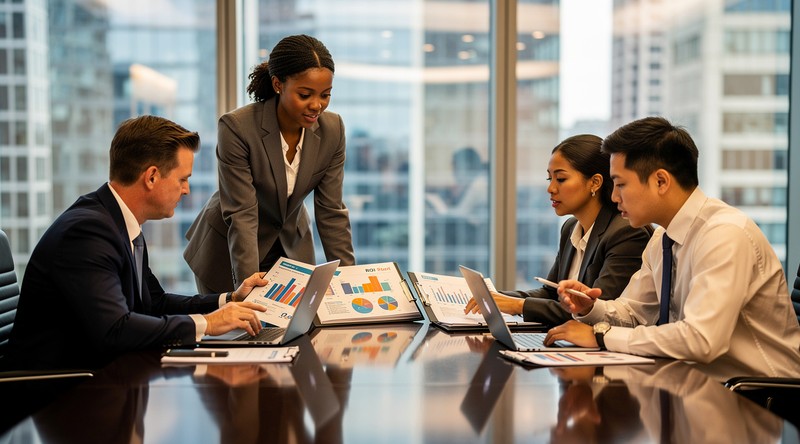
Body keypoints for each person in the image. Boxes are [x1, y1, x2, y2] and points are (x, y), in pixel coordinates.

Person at [4, 115, 268, 371]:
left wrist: (229, 300)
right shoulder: (87, 232)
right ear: (152, 176)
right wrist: (207, 324)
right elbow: (115, 329)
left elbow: (154, 303)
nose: (186, 189)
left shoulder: (120, 223)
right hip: (56, 395)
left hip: (101, 376)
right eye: (182, 179)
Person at [545, 117, 800, 378]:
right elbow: (634, 312)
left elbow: (701, 340)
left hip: (759, 398)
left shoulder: (724, 235)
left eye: (621, 184)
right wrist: (590, 307)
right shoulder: (663, 239)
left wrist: (603, 336)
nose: (613, 196)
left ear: (661, 181)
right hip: (696, 386)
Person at [184, 34, 355, 294]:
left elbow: (331, 212)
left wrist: (351, 282)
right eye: (305, 94)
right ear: (278, 84)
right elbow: (243, 215)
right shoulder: (237, 128)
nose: (317, 105)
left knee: (297, 330)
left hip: (290, 247)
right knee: (239, 330)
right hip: (231, 247)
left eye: (325, 95)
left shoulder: (333, 130)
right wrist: (248, 287)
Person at [464, 135, 652, 326]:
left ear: (595, 183)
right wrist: (496, 297)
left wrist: (517, 305)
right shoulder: (570, 228)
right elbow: (550, 293)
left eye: (561, 179)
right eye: (549, 178)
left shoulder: (626, 233)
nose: (551, 188)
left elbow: (593, 310)